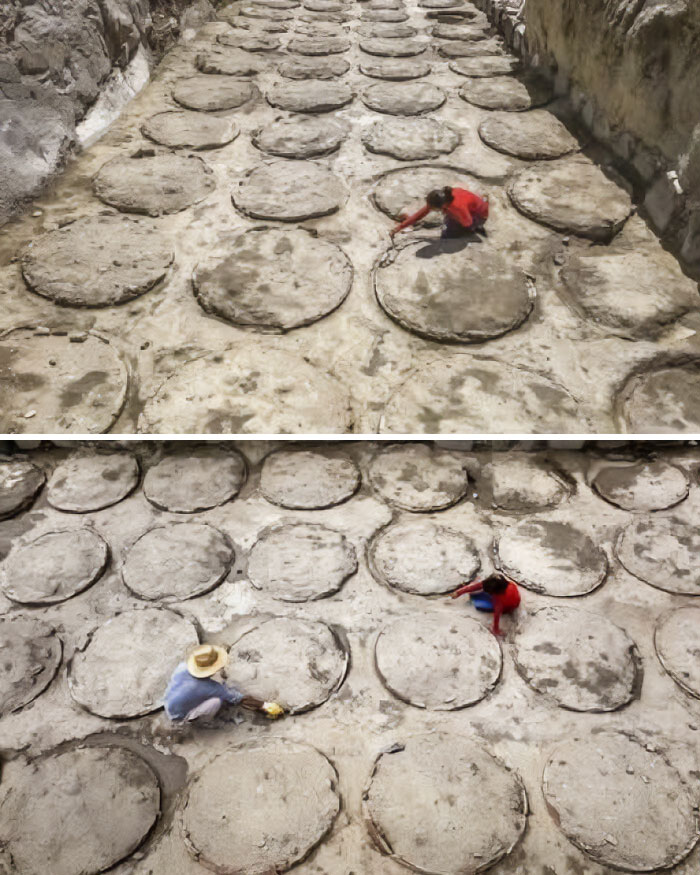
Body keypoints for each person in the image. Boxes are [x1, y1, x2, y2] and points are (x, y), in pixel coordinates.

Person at [164, 643, 284, 723]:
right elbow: (240, 699)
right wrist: (266, 706)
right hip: (178, 716)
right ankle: (203, 721)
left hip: (168, 703)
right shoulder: (211, 688)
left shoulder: (182, 667)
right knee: (216, 701)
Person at [390, 186, 489, 239]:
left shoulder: (457, 207)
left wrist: (451, 215)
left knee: (448, 233)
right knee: (448, 220)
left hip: (479, 216)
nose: (430, 209)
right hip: (476, 208)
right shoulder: (446, 196)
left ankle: (473, 230)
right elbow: (420, 214)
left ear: (442, 206)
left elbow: (467, 222)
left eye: (433, 208)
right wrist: (400, 227)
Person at [450, 573, 520, 636]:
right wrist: (459, 592)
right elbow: (479, 586)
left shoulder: (499, 600)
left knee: (478, 603)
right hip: (507, 598)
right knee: (476, 592)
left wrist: (496, 629)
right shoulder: (506, 584)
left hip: (508, 606)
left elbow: (497, 614)